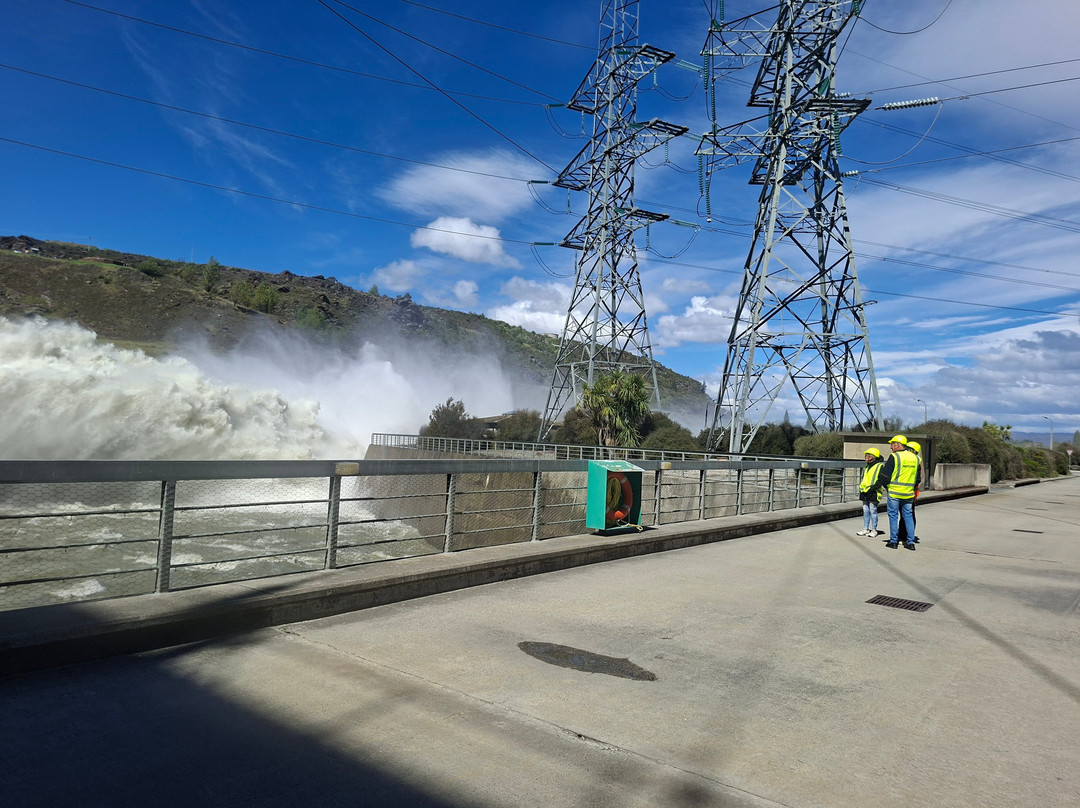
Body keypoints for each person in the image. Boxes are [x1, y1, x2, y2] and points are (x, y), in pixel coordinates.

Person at [880, 434, 920, 550]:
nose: (891, 447)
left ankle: (893, 542)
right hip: (908, 494)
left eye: (892, 444)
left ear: (897, 445)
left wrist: (888, 487)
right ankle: (910, 543)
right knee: (908, 516)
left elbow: (884, 476)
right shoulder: (916, 458)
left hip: (894, 493)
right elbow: (918, 479)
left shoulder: (895, 457)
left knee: (893, 516)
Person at [856, 448, 884, 537]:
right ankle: (866, 528)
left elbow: (880, 480)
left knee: (873, 510)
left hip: (873, 492)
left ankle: (874, 530)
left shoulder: (880, 466)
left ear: (873, 457)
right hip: (864, 491)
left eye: (868, 456)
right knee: (865, 510)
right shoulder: (867, 466)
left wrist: (873, 488)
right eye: (866, 455)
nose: (866, 457)